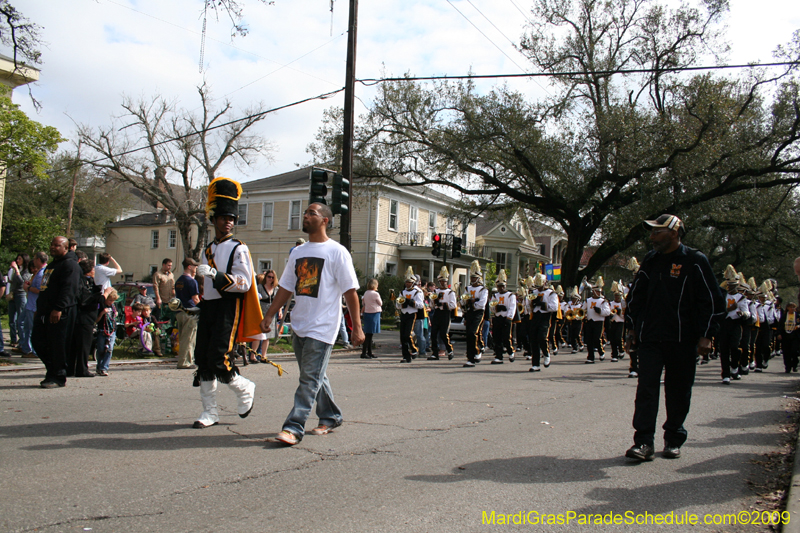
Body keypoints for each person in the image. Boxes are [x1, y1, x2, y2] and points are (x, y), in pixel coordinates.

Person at [260, 202, 363, 446]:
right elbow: (286, 288)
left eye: (311, 213)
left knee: (308, 378)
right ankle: (331, 415)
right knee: (315, 375)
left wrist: (357, 327)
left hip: (323, 326)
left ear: (325, 220)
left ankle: (294, 427)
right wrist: (270, 315)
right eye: (305, 213)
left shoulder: (337, 252)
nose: (305, 216)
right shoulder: (298, 252)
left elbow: (350, 292)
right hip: (300, 324)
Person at [625, 214, 724, 461]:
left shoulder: (694, 260)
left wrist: (706, 335)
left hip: (682, 338)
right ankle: (644, 442)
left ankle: (673, 438)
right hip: (651, 338)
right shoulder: (651, 260)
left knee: (678, 390)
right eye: (651, 232)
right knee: (646, 388)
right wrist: (632, 329)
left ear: (674, 232)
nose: (652, 237)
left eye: (657, 232)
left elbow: (711, 300)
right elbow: (636, 296)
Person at [192, 177, 263, 429]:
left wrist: (215, 275)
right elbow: (206, 289)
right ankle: (209, 412)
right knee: (202, 360)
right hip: (209, 307)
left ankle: (244, 387)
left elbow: (244, 283)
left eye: (232, 218)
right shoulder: (208, 249)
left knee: (219, 358)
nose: (229, 222)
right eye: (223, 217)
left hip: (228, 307)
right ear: (214, 220)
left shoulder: (239, 248)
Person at [31, 237, 82, 388]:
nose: (53, 247)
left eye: (57, 245)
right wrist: (39, 309)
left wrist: (59, 308)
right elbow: (44, 288)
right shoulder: (52, 265)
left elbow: (69, 289)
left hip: (61, 311)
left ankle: (58, 376)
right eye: (52, 245)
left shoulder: (70, 265)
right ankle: (52, 370)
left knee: (57, 345)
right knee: (38, 341)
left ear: (66, 248)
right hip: (45, 311)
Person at [69, 260, 107, 377]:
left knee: (75, 345)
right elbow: (87, 300)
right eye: (93, 269)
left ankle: (71, 369)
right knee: (83, 346)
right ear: (90, 270)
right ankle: (81, 369)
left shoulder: (85, 282)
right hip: (84, 318)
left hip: (83, 318)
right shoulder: (83, 282)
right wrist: (104, 295)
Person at [526, 273, 559, 370]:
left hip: (545, 316)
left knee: (542, 337)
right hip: (535, 316)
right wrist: (532, 303)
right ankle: (535, 364)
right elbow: (528, 305)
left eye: (540, 286)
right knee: (533, 340)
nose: (538, 289)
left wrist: (542, 304)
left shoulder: (551, 293)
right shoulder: (534, 292)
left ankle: (546, 353)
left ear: (544, 283)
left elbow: (554, 307)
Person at [174, 257, 200, 369]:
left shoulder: (179, 280)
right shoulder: (192, 281)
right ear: (189, 267)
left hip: (180, 311)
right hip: (190, 312)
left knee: (183, 337)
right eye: (195, 266)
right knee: (189, 338)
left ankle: (186, 360)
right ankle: (185, 362)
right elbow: (195, 299)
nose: (196, 268)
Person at [462, 260, 488, 368]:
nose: (472, 279)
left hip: (478, 313)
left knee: (473, 332)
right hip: (469, 312)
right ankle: (472, 354)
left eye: (474, 277)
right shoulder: (468, 288)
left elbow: (482, 304)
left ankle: (473, 355)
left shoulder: (483, 289)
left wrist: (473, 302)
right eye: (471, 277)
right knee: (469, 334)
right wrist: (466, 301)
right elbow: (463, 299)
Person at [21, 252, 47, 358]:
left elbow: (42, 290)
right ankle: (27, 348)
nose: (33, 261)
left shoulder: (43, 273)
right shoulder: (40, 272)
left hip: (34, 306)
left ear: (39, 260)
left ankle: (35, 351)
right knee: (26, 326)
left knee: (33, 329)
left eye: (35, 258)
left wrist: (28, 288)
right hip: (31, 304)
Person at [396, 267, 423, 363]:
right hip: (404, 314)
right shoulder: (402, 292)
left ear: (413, 283)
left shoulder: (417, 292)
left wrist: (411, 302)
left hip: (412, 314)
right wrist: (401, 304)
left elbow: (421, 305)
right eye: (406, 282)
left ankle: (414, 348)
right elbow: (397, 305)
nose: (407, 284)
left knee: (407, 334)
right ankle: (405, 356)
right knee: (402, 336)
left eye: (409, 282)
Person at [253, 269, 281, 361]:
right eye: (269, 277)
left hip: (271, 313)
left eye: (272, 277)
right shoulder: (260, 287)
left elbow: (278, 301)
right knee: (258, 335)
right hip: (261, 312)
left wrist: (279, 311)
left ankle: (263, 356)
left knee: (267, 336)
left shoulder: (275, 289)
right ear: (266, 277)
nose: (270, 279)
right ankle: (253, 355)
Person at [489, 270, 516, 364]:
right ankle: (499, 356)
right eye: (499, 286)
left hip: (506, 318)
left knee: (506, 337)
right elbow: (491, 306)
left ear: (505, 286)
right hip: (497, 318)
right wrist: (496, 308)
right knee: (497, 337)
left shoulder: (511, 295)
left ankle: (510, 351)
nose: (500, 288)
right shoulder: (495, 295)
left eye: (502, 286)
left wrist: (509, 318)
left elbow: (512, 307)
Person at [428, 266, 456, 360]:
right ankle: (435, 352)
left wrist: (443, 304)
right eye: (441, 281)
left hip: (445, 314)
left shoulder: (450, 292)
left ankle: (450, 350)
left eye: (444, 281)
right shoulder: (436, 291)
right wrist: (434, 302)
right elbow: (432, 305)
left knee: (444, 334)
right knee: (433, 333)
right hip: (437, 313)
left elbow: (453, 305)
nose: (443, 283)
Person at [583, 277, 611, 363]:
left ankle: (601, 352)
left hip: (599, 321)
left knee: (597, 338)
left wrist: (600, 311)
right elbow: (583, 310)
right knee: (589, 340)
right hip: (590, 321)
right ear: (594, 291)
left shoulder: (603, 301)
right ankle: (590, 357)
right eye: (597, 291)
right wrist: (583, 315)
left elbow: (608, 312)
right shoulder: (588, 300)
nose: (599, 293)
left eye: (600, 291)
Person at [9, 254, 31, 353]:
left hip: (21, 295)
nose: (17, 260)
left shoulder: (26, 271)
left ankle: (23, 343)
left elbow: (22, 282)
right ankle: (14, 339)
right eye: (17, 258)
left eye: (20, 259)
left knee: (21, 319)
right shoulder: (16, 270)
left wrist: (17, 271)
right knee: (12, 319)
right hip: (14, 294)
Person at [95, 289, 119, 377]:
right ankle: (99, 366)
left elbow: (115, 317)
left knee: (109, 349)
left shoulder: (114, 306)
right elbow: (96, 320)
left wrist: (115, 314)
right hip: (102, 330)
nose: (111, 302)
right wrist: (102, 313)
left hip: (112, 330)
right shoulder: (101, 306)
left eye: (113, 301)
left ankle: (104, 368)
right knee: (101, 349)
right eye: (110, 300)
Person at [361, 278, 382, 359]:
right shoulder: (376, 294)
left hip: (367, 313)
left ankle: (368, 352)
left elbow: (363, 303)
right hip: (374, 313)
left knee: (368, 333)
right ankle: (365, 352)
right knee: (369, 334)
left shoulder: (366, 293)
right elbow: (380, 303)